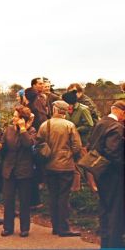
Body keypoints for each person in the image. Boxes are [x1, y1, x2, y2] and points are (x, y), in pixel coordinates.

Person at [36, 100, 82, 237]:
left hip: (49, 165)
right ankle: (64, 228)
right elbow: (77, 146)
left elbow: (39, 144)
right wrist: (69, 154)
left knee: (53, 195)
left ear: (55, 109)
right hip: (65, 166)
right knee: (63, 197)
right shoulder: (69, 125)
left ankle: (55, 226)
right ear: (64, 111)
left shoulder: (45, 125)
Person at [0, 105, 36, 237]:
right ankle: (8, 227)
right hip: (9, 169)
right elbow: (4, 146)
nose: (13, 118)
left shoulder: (31, 131)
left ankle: (24, 228)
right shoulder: (8, 130)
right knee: (8, 200)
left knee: (24, 201)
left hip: (24, 170)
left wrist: (23, 129)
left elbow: (28, 144)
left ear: (23, 119)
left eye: (16, 116)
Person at [87, 100, 124, 248]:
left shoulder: (101, 123)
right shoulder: (116, 127)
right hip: (114, 174)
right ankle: (115, 244)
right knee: (116, 210)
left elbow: (91, 144)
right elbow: (113, 152)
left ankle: (106, 242)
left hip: (100, 172)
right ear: (121, 112)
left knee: (105, 208)